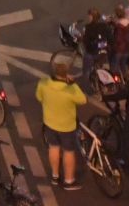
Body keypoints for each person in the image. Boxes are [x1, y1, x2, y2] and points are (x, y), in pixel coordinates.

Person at [35, 61, 89, 190]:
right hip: (67, 127)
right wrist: (73, 84)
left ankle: (55, 176)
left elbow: (39, 97)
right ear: (66, 75)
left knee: (53, 148)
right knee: (68, 152)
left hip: (49, 123)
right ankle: (69, 181)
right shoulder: (69, 90)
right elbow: (83, 100)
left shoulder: (43, 83)